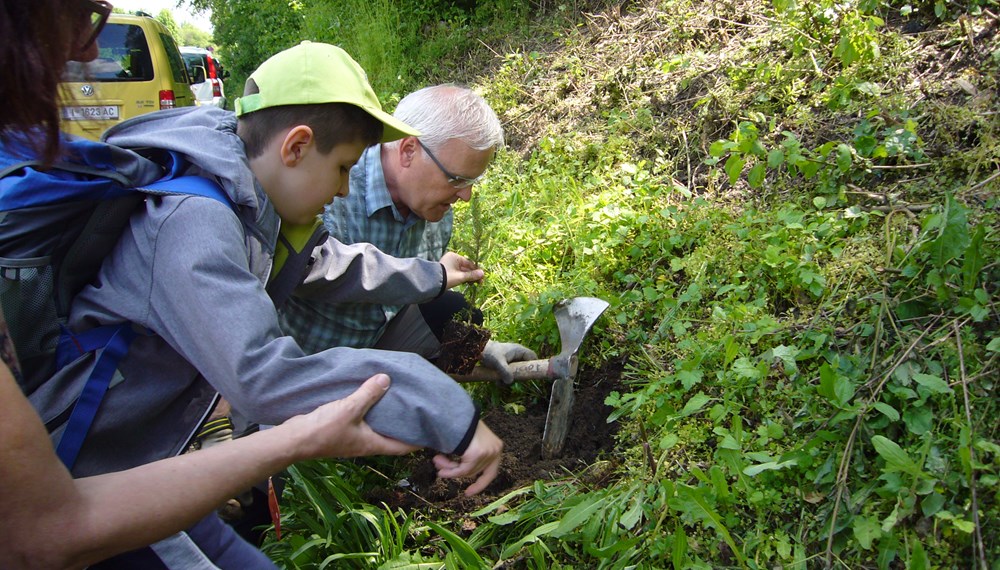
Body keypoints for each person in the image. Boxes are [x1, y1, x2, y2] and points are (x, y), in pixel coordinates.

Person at [5, 29, 505, 569]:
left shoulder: (253, 205)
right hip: (87, 474)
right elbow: (264, 374)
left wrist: (431, 276)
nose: (342, 189)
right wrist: (446, 411)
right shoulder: (194, 223)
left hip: (150, 457)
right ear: (295, 146)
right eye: (341, 168)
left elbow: (329, 262)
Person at [280, 84, 537, 384]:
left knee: (450, 307)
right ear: (408, 150)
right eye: (456, 179)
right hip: (307, 363)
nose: (466, 195)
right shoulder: (333, 190)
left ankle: (406, 390)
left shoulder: (436, 211)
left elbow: (409, 305)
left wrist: (479, 348)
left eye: (471, 181)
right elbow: (309, 273)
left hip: (375, 348)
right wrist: (427, 275)